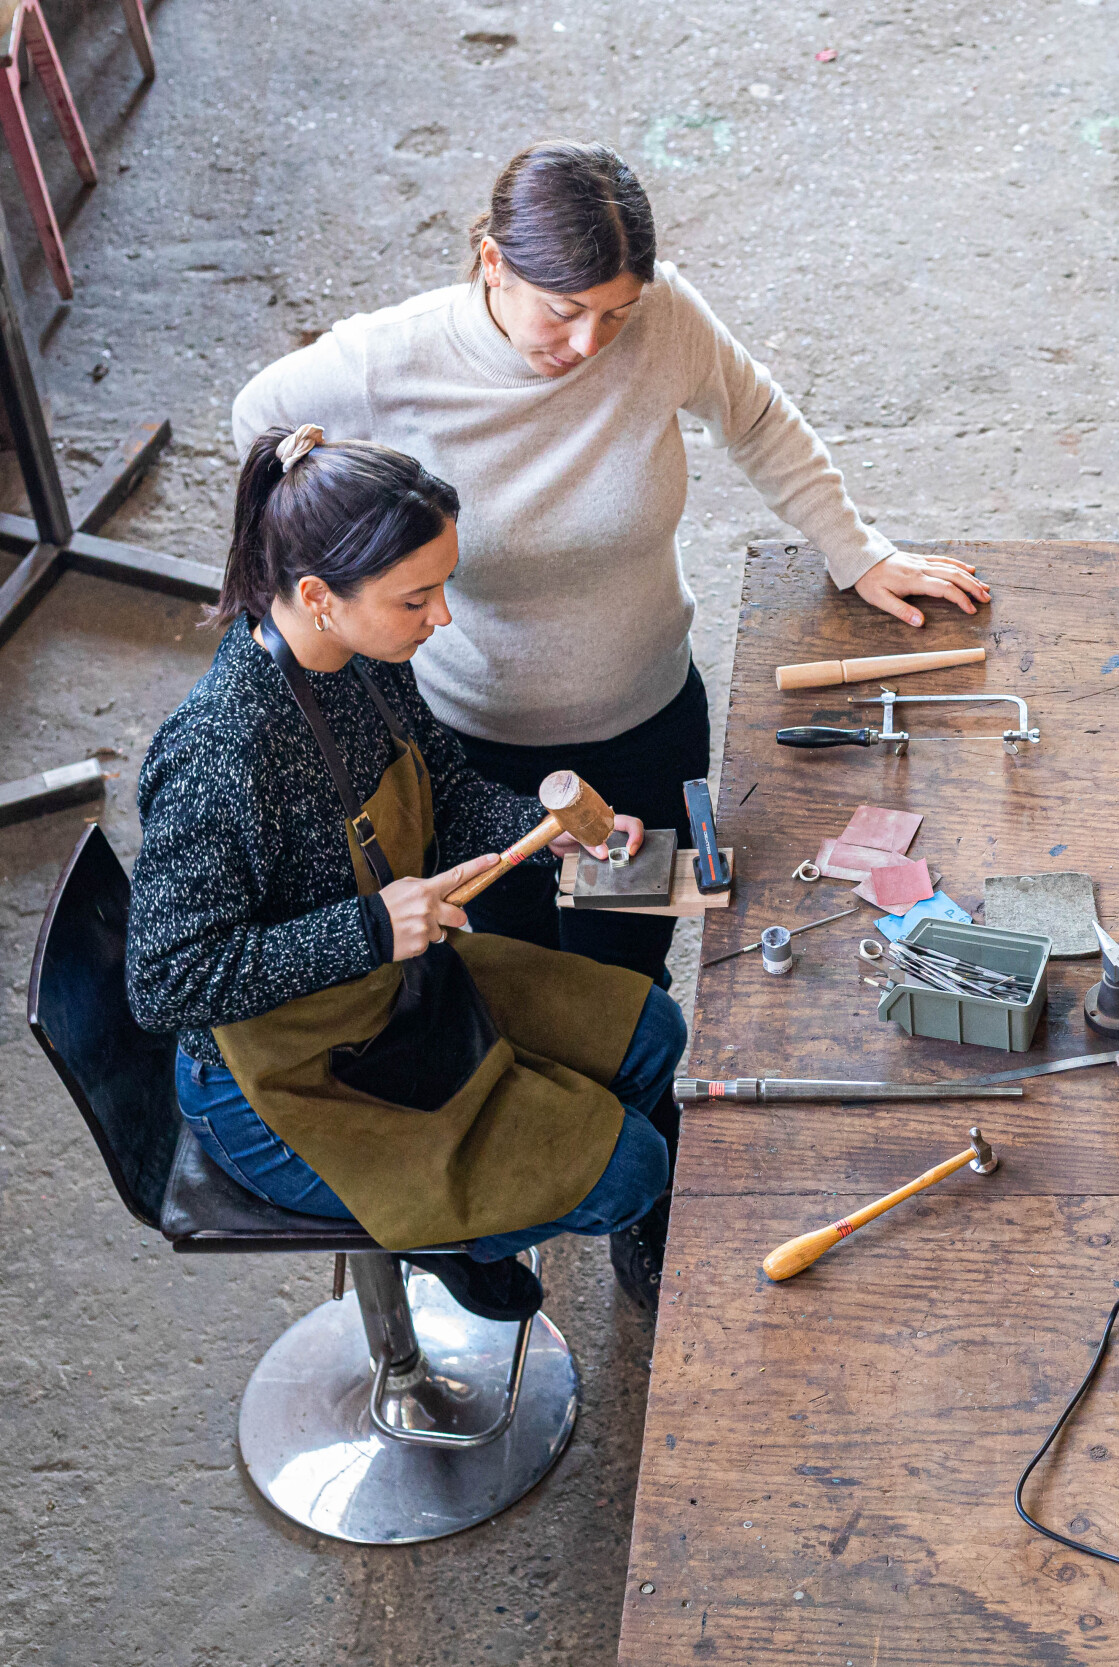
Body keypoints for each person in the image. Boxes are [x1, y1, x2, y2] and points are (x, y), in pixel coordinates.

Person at [231, 139, 990, 982]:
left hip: (650, 723)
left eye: (616, 313)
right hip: (471, 752)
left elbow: (759, 418)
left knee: (631, 981)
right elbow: (261, 422)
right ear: (494, 263)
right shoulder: (389, 363)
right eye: (562, 311)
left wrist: (857, 550)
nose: (592, 342)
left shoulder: (663, 318)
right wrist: (356, 559)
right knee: (521, 984)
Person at [128, 426, 689, 1318]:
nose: (444, 619)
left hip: (397, 986)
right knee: (635, 1170)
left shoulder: (359, 663)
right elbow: (163, 982)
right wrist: (369, 929)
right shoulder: (221, 753)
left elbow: (449, 783)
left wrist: (542, 830)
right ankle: (441, 1238)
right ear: (318, 595)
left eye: (442, 588)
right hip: (284, 1077)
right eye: (415, 598)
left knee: (654, 1033)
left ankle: (487, 1188)